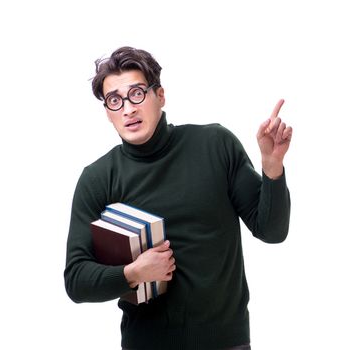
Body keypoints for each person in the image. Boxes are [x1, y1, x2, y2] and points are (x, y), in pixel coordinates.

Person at [63, 46, 292, 349]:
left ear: (160, 95)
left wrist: (272, 166)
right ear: (107, 112)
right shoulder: (97, 179)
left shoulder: (215, 145)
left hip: (227, 342)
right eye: (115, 100)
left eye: (137, 94)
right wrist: (132, 273)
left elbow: (272, 231)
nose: (128, 109)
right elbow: (77, 280)